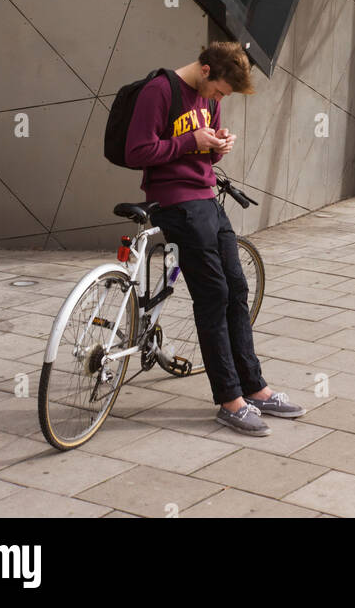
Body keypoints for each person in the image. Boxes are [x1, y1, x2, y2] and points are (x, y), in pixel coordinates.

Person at [125, 40, 306, 436]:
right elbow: (138, 150)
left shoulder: (210, 98)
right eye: (220, 91)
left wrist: (217, 147)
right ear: (206, 70)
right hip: (176, 202)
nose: (219, 99)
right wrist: (193, 141)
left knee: (236, 288)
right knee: (213, 295)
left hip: (207, 198)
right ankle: (229, 400)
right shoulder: (161, 91)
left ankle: (255, 387)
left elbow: (203, 155)